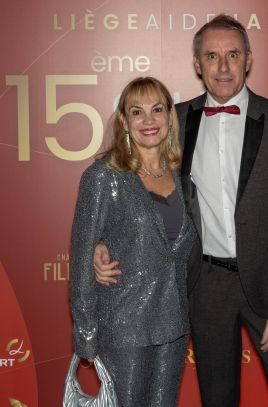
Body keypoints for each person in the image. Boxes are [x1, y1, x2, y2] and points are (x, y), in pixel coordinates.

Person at [94, 15, 268, 407]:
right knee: (217, 398)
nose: (223, 66)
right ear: (198, 64)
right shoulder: (175, 119)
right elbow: (127, 175)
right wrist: (101, 241)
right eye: (212, 56)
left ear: (249, 59)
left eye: (233, 54)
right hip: (205, 285)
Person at [69, 77, 196, 407]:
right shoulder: (103, 176)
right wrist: (86, 333)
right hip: (123, 325)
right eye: (137, 112)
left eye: (157, 109)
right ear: (124, 120)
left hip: (174, 324)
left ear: (170, 116)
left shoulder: (185, 175)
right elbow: (82, 255)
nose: (149, 120)